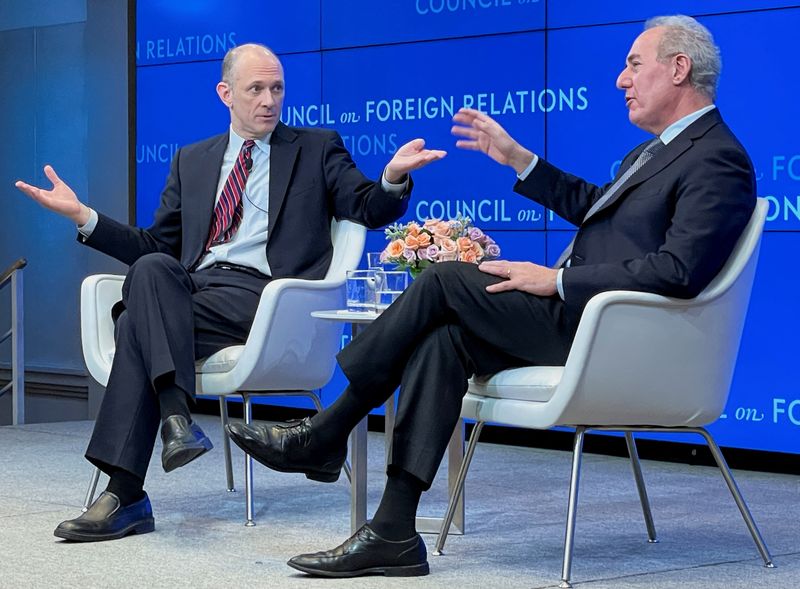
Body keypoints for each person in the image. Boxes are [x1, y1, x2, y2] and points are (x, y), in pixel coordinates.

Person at [226, 15, 756, 578]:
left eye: (633, 64)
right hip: (586, 322)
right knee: (444, 339)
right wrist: (517, 158)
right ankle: (394, 530)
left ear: (679, 68)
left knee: (446, 278)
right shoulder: (648, 154)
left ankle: (329, 430)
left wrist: (554, 281)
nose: (621, 79)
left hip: (617, 338)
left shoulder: (716, 157)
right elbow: (597, 208)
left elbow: (679, 271)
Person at [14, 43, 445, 542]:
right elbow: (158, 245)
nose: (269, 100)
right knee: (153, 270)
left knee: (136, 321)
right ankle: (172, 423)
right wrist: (82, 216)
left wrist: (391, 178)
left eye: (277, 88)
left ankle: (128, 489)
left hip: (266, 301)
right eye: (255, 89)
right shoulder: (193, 160)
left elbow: (366, 206)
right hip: (194, 291)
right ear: (226, 94)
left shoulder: (315, 148)